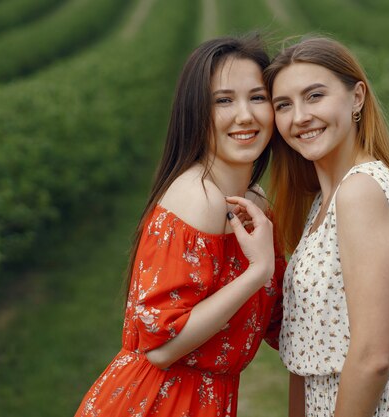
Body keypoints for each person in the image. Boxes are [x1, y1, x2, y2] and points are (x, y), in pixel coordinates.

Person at [74, 35, 284, 417]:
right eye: (224, 100)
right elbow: (161, 347)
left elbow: (279, 325)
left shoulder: (255, 202)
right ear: (196, 112)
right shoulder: (198, 198)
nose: (245, 115)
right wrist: (258, 272)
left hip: (203, 401)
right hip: (160, 401)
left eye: (257, 97)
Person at [264, 36, 389, 417]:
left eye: (314, 96)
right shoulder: (326, 201)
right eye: (283, 105)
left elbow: (373, 355)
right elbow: (307, 357)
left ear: (357, 97)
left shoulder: (360, 191)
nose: (299, 117)